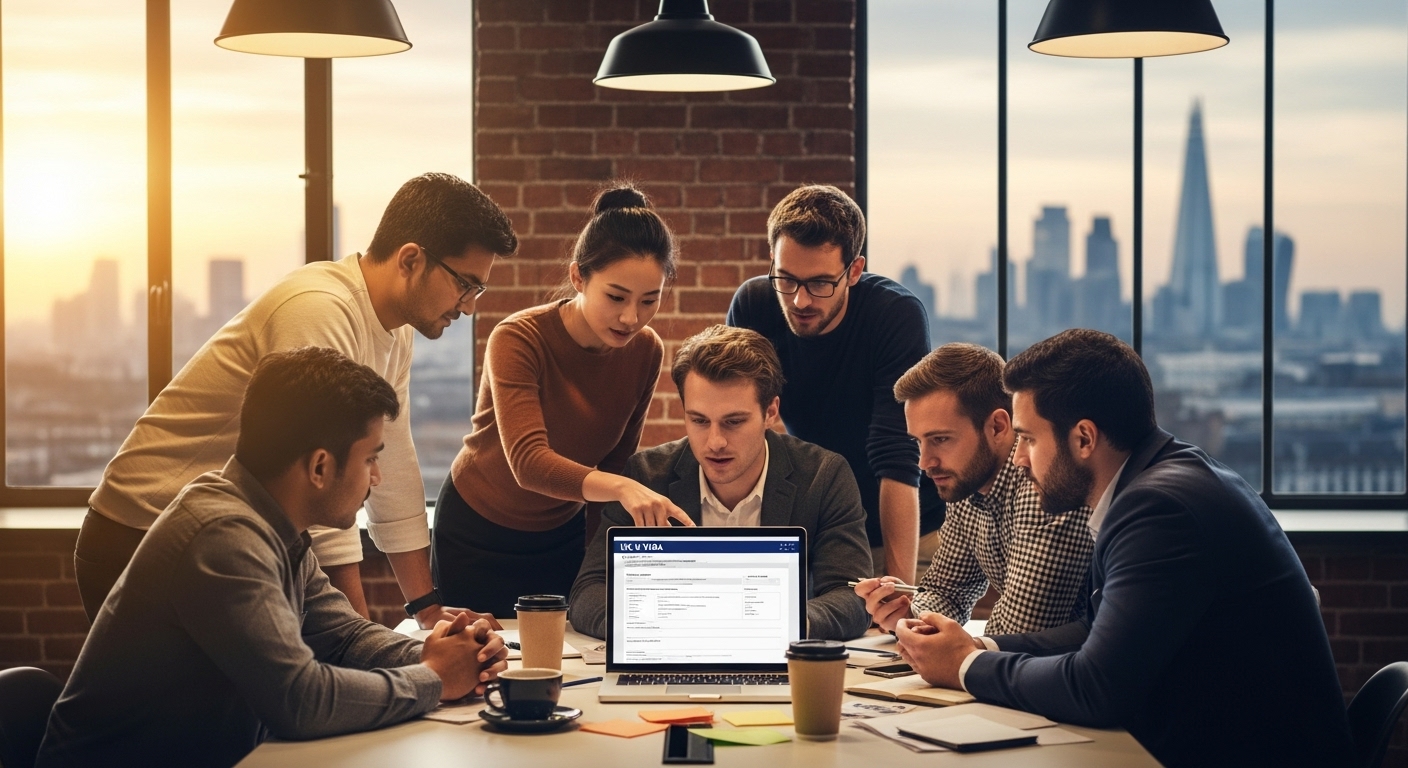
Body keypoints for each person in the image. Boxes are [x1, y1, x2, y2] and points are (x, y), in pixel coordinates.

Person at [891, 329, 1353, 768]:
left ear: (1084, 439)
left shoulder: (1158, 509)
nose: (1018, 458)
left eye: (1028, 439)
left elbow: (1096, 688)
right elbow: (1092, 631)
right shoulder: (1163, 481)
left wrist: (967, 665)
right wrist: (978, 644)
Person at [77, 173, 518, 630]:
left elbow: (395, 462)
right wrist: (361, 638)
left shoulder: (396, 330)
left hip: (220, 537)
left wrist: (425, 608)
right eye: (465, 284)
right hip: (143, 532)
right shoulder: (319, 310)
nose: (468, 306)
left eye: (477, 291)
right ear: (410, 259)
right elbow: (320, 483)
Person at [37, 348, 508, 768]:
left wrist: (446, 653)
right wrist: (430, 678)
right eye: (370, 459)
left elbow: (341, 637)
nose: (377, 479)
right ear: (321, 467)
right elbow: (300, 700)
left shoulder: (275, 525)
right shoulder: (223, 537)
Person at [433, 184, 691, 617]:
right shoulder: (518, 338)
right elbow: (529, 462)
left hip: (561, 536)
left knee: (566, 664)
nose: (632, 317)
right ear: (578, 277)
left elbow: (614, 460)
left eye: (650, 300)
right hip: (477, 532)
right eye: (616, 297)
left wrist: (596, 557)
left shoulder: (646, 350)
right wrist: (626, 488)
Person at [569, 325, 873, 640]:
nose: (715, 442)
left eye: (733, 422)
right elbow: (588, 592)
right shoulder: (646, 476)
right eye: (699, 421)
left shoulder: (824, 475)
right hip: (675, 655)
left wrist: (776, 623)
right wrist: (661, 623)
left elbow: (852, 594)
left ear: (770, 412)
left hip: (777, 657)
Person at [727, 184, 940, 584]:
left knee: (900, 641)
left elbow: (895, 455)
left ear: (854, 271)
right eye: (786, 279)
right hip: (824, 531)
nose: (800, 301)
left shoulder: (894, 316)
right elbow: (743, 432)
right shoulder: (754, 305)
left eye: (820, 283)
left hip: (908, 528)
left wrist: (898, 594)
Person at [855, 343, 1092, 635]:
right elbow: (947, 592)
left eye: (940, 439)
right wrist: (909, 615)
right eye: (918, 442)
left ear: (997, 426)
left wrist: (945, 646)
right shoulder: (965, 483)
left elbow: (1016, 636)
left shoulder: (1042, 485)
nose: (924, 462)